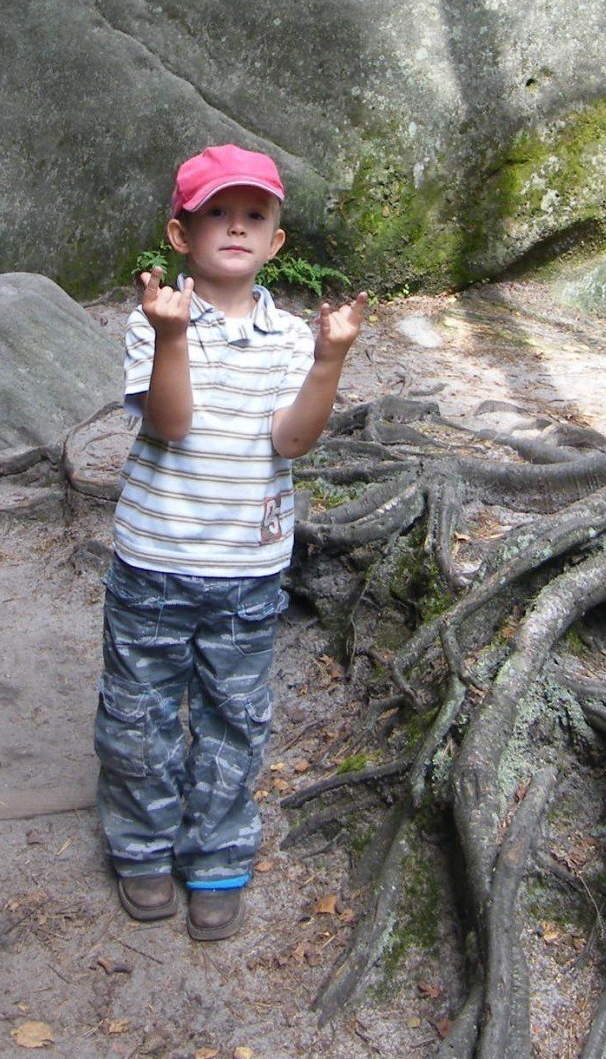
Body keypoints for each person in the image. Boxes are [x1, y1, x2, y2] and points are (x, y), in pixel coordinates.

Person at [96, 143, 368, 941]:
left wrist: (330, 360)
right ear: (183, 234)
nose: (237, 227)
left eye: (254, 215)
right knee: (139, 713)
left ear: (277, 240)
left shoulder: (289, 338)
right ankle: (142, 846)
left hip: (249, 570)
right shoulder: (156, 319)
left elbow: (292, 442)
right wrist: (172, 336)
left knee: (234, 715)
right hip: (155, 560)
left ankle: (216, 853)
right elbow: (170, 425)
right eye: (218, 212)